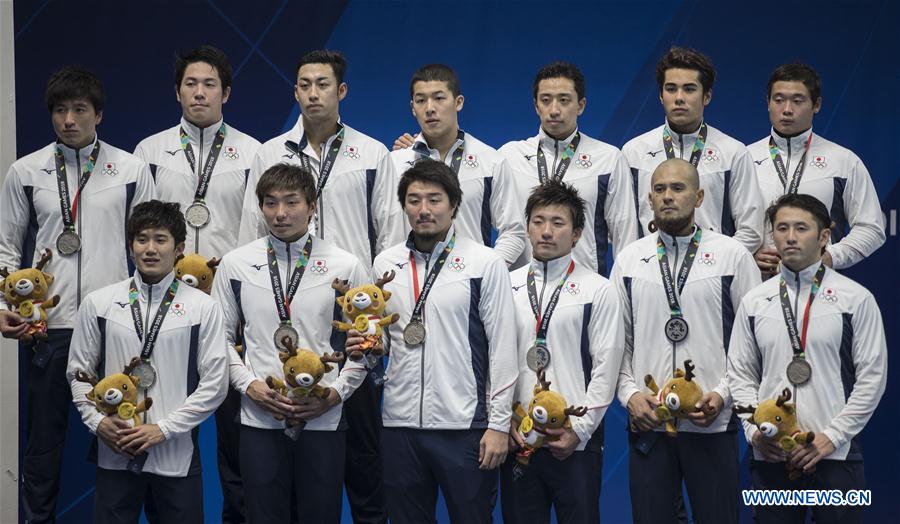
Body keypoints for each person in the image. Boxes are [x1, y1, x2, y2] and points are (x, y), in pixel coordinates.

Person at [238, 49, 403, 522]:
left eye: (323, 84)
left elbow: (389, 235)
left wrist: (373, 323)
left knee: (363, 460)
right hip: (288, 312)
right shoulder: (270, 153)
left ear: (341, 91)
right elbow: (255, 231)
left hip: (352, 319)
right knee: (285, 465)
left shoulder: (372, 154)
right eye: (305, 85)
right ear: (295, 92)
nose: (313, 93)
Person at [0, 66, 155, 523]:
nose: (69, 119)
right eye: (60, 110)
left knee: (124, 436)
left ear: (99, 114)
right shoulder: (25, 172)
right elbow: (7, 247)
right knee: (43, 445)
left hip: (114, 328)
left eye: (79, 110)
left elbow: (148, 245)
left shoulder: (130, 169)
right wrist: (5, 306)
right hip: (47, 328)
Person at [346, 159, 517, 523]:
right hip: (399, 426)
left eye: (435, 200)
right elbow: (386, 344)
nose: (424, 210)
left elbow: (503, 349)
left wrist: (498, 426)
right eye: (414, 200)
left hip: (464, 427)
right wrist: (369, 349)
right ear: (404, 205)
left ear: (454, 205)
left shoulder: (484, 264)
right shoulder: (385, 264)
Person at [132, 44, 260, 523]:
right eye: (191, 83)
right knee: (161, 416)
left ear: (226, 92)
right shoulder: (150, 150)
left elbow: (258, 228)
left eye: (209, 84)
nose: (199, 93)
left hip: (228, 303)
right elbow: (139, 227)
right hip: (164, 306)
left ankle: (238, 517)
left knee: (233, 429)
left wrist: (230, 281)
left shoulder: (253, 151)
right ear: (177, 91)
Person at [213, 163, 369, 522]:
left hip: (323, 417)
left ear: (312, 206)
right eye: (270, 203)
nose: (280, 213)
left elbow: (363, 348)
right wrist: (249, 386)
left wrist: (335, 395)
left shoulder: (345, 265)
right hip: (259, 417)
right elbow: (219, 339)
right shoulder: (235, 265)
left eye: (291, 202)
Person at [611, 158, 761, 523]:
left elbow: (753, 342)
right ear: (648, 198)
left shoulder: (732, 256)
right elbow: (616, 344)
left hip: (711, 421)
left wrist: (724, 395)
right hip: (650, 423)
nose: (667, 196)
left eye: (678, 188)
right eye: (659, 189)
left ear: (699, 196)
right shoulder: (630, 259)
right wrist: (630, 396)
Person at [728, 193, 886, 524]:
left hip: (836, 455)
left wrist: (833, 437)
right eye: (781, 228)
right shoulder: (754, 301)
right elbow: (740, 374)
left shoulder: (855, 300)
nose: (790, 236)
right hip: (773, 454)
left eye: (801, 228)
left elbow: (872, 377)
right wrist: (754, 431)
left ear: (824, 236)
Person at [66, 200, 227, 523]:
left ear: (179, 248)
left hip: (176, 453)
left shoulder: (202, 307)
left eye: (160, 239)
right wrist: (98, 424)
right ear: (130, 247)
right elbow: (78, 373)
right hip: (115, 449)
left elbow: (215, 384)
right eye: (142, 239)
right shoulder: (99, 303)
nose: (150, 249)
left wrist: (163, 429)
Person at [500, 180, 624, 523]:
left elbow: (606, 367)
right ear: (527, 227)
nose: (546, 231)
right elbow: (494, 361)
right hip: (518, 438)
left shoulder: (598, 289)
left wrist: (579, 431)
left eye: (558, 223)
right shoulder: (505, 285)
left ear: (578, 233)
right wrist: (503, 420)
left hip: (575, 442)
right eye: (538, 221)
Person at [622, 46, 764, 254]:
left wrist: (714, 264)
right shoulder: (634, 152)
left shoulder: (733, 153)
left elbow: (751, 230)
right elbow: (624, 229)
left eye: (689, 89)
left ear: (706, 96)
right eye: (671, 89)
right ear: (661, 96)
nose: (679, 97)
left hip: (713, 274)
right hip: (651, 272)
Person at [748, 62, 885, 278]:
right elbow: (720, 227)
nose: (787, 109)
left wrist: (830, 257)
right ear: (768, 103)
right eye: (779, 99)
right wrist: (746, 254)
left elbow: (872, 228)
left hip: (821, 285)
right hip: (756, 287)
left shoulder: (843, 161)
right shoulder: (744, 158)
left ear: (817, 104)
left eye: (797, 100)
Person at [500, 61, 638, 274]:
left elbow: (625, 238)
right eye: (546, 100)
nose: (554, 110)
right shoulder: (509, 157)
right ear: (536, 105)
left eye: (564, 100)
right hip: (521, 294)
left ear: (581, 105)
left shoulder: (609, 159)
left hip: (586, 293)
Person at [388, 63, 527, 265]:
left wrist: (485, 274)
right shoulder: (394, 163)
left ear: (458, 102)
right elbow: (383, 231)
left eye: (439, 98)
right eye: (421, 100)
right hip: (411, 285)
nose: (429, 108)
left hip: (470, 287)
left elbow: (514, 231)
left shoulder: (491, 162)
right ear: (412, 108)